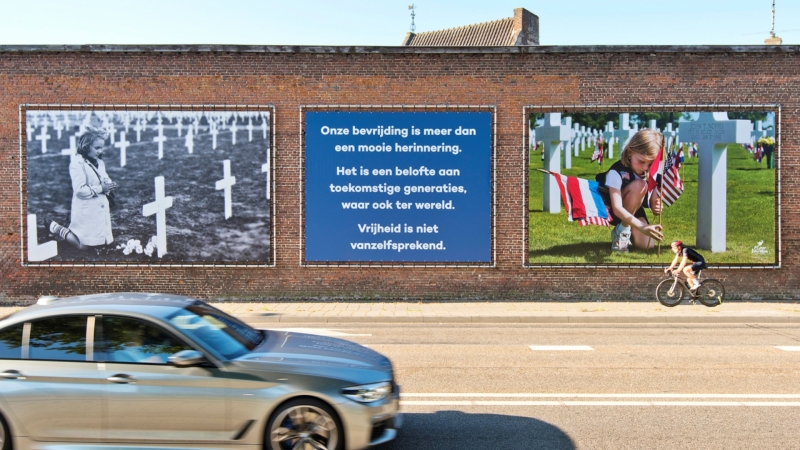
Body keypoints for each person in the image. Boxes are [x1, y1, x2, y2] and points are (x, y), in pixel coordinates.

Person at [47, 127, 117, 250]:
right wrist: (101, 188)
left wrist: (109, 185)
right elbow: (80, 190)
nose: (100, 151)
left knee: (103, 241)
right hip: (85, 209)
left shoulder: (99, 162)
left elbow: (105, 178)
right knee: (83, 246)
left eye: (101, 147)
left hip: (99, 207)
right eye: (97, 148)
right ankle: (56, 228)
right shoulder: (77, 164)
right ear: (86, 147)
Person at [595, 129, 664, 252]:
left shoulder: (651, 174)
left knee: (647, 246)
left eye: (650, 164)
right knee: (640, 185)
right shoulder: (616, 172)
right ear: (630, 152)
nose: (645, 167)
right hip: (615, 210)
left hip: (635, 211)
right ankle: (622, 230)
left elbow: (654, 200)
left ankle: (628, 229)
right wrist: (642, 226)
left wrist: (656, 206)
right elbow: (617, 208)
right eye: (641, 161)